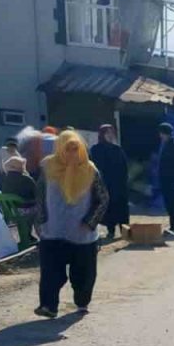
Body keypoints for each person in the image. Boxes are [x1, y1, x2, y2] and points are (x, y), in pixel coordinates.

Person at [33, 130, 109, 318]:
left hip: (81, 233)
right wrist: (39, 221)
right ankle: (48, 306)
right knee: (50, 272)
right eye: (68, 149)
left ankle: (82, 302)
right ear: (59, 149)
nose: (72, 153)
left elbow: (103, 198)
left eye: (76, 148)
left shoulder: (90, 170)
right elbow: (40, 196)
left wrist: (90, 222)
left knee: (83, 274)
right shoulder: (47, 167)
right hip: (53, 230)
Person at [89, 124, 130, 240]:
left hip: (119, 184)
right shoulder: (96, 150)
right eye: (108, 133)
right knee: (108, 208)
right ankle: (110, 230)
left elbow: (124, 167)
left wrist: (125, 181)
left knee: (122, 208)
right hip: (104, 184)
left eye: (112, 133)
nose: (111, 136)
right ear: (102, 135)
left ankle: (125, 231)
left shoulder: (117, 149)